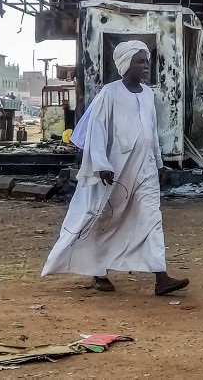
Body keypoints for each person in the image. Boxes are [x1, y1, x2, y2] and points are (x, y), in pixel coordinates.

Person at [41, 40, 189, 297]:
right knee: (104, 218)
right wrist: (101, 165)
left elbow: (151, 133)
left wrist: (159, 162)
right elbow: (96, 130)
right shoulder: (109, 93)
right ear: (125, 64)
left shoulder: (148, 94)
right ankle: (98, 271)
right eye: (140, 61)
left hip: (145, 169)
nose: (146, 66)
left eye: (147, 61)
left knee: (152, 217)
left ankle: (161, 277)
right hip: (115, 171)